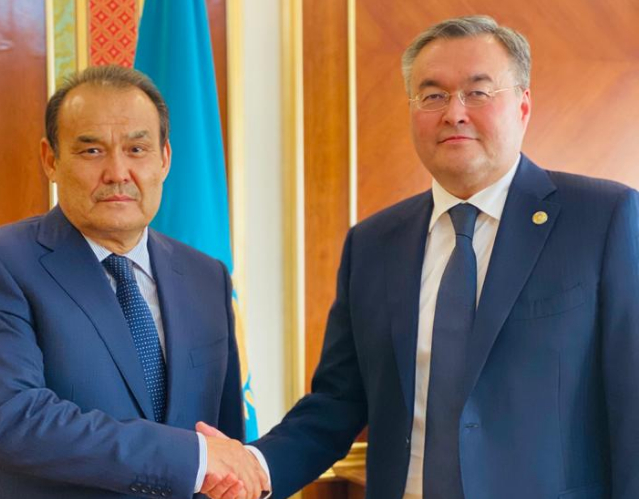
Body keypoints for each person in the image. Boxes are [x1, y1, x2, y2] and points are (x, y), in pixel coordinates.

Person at [198, 15, 639, 499]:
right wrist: (256, 466)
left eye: (478, 92)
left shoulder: (602, 219)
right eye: (432, 96)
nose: (454, 113)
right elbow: (338, 402)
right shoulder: (372, 244)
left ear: (523, 106)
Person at [0, 65, 268, 499]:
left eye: (137, 149)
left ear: (164, 159)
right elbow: (15, 422)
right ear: (50, 160)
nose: (117, 172)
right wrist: (191, 457)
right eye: (92, 150)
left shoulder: (205, 276)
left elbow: (222, 437)